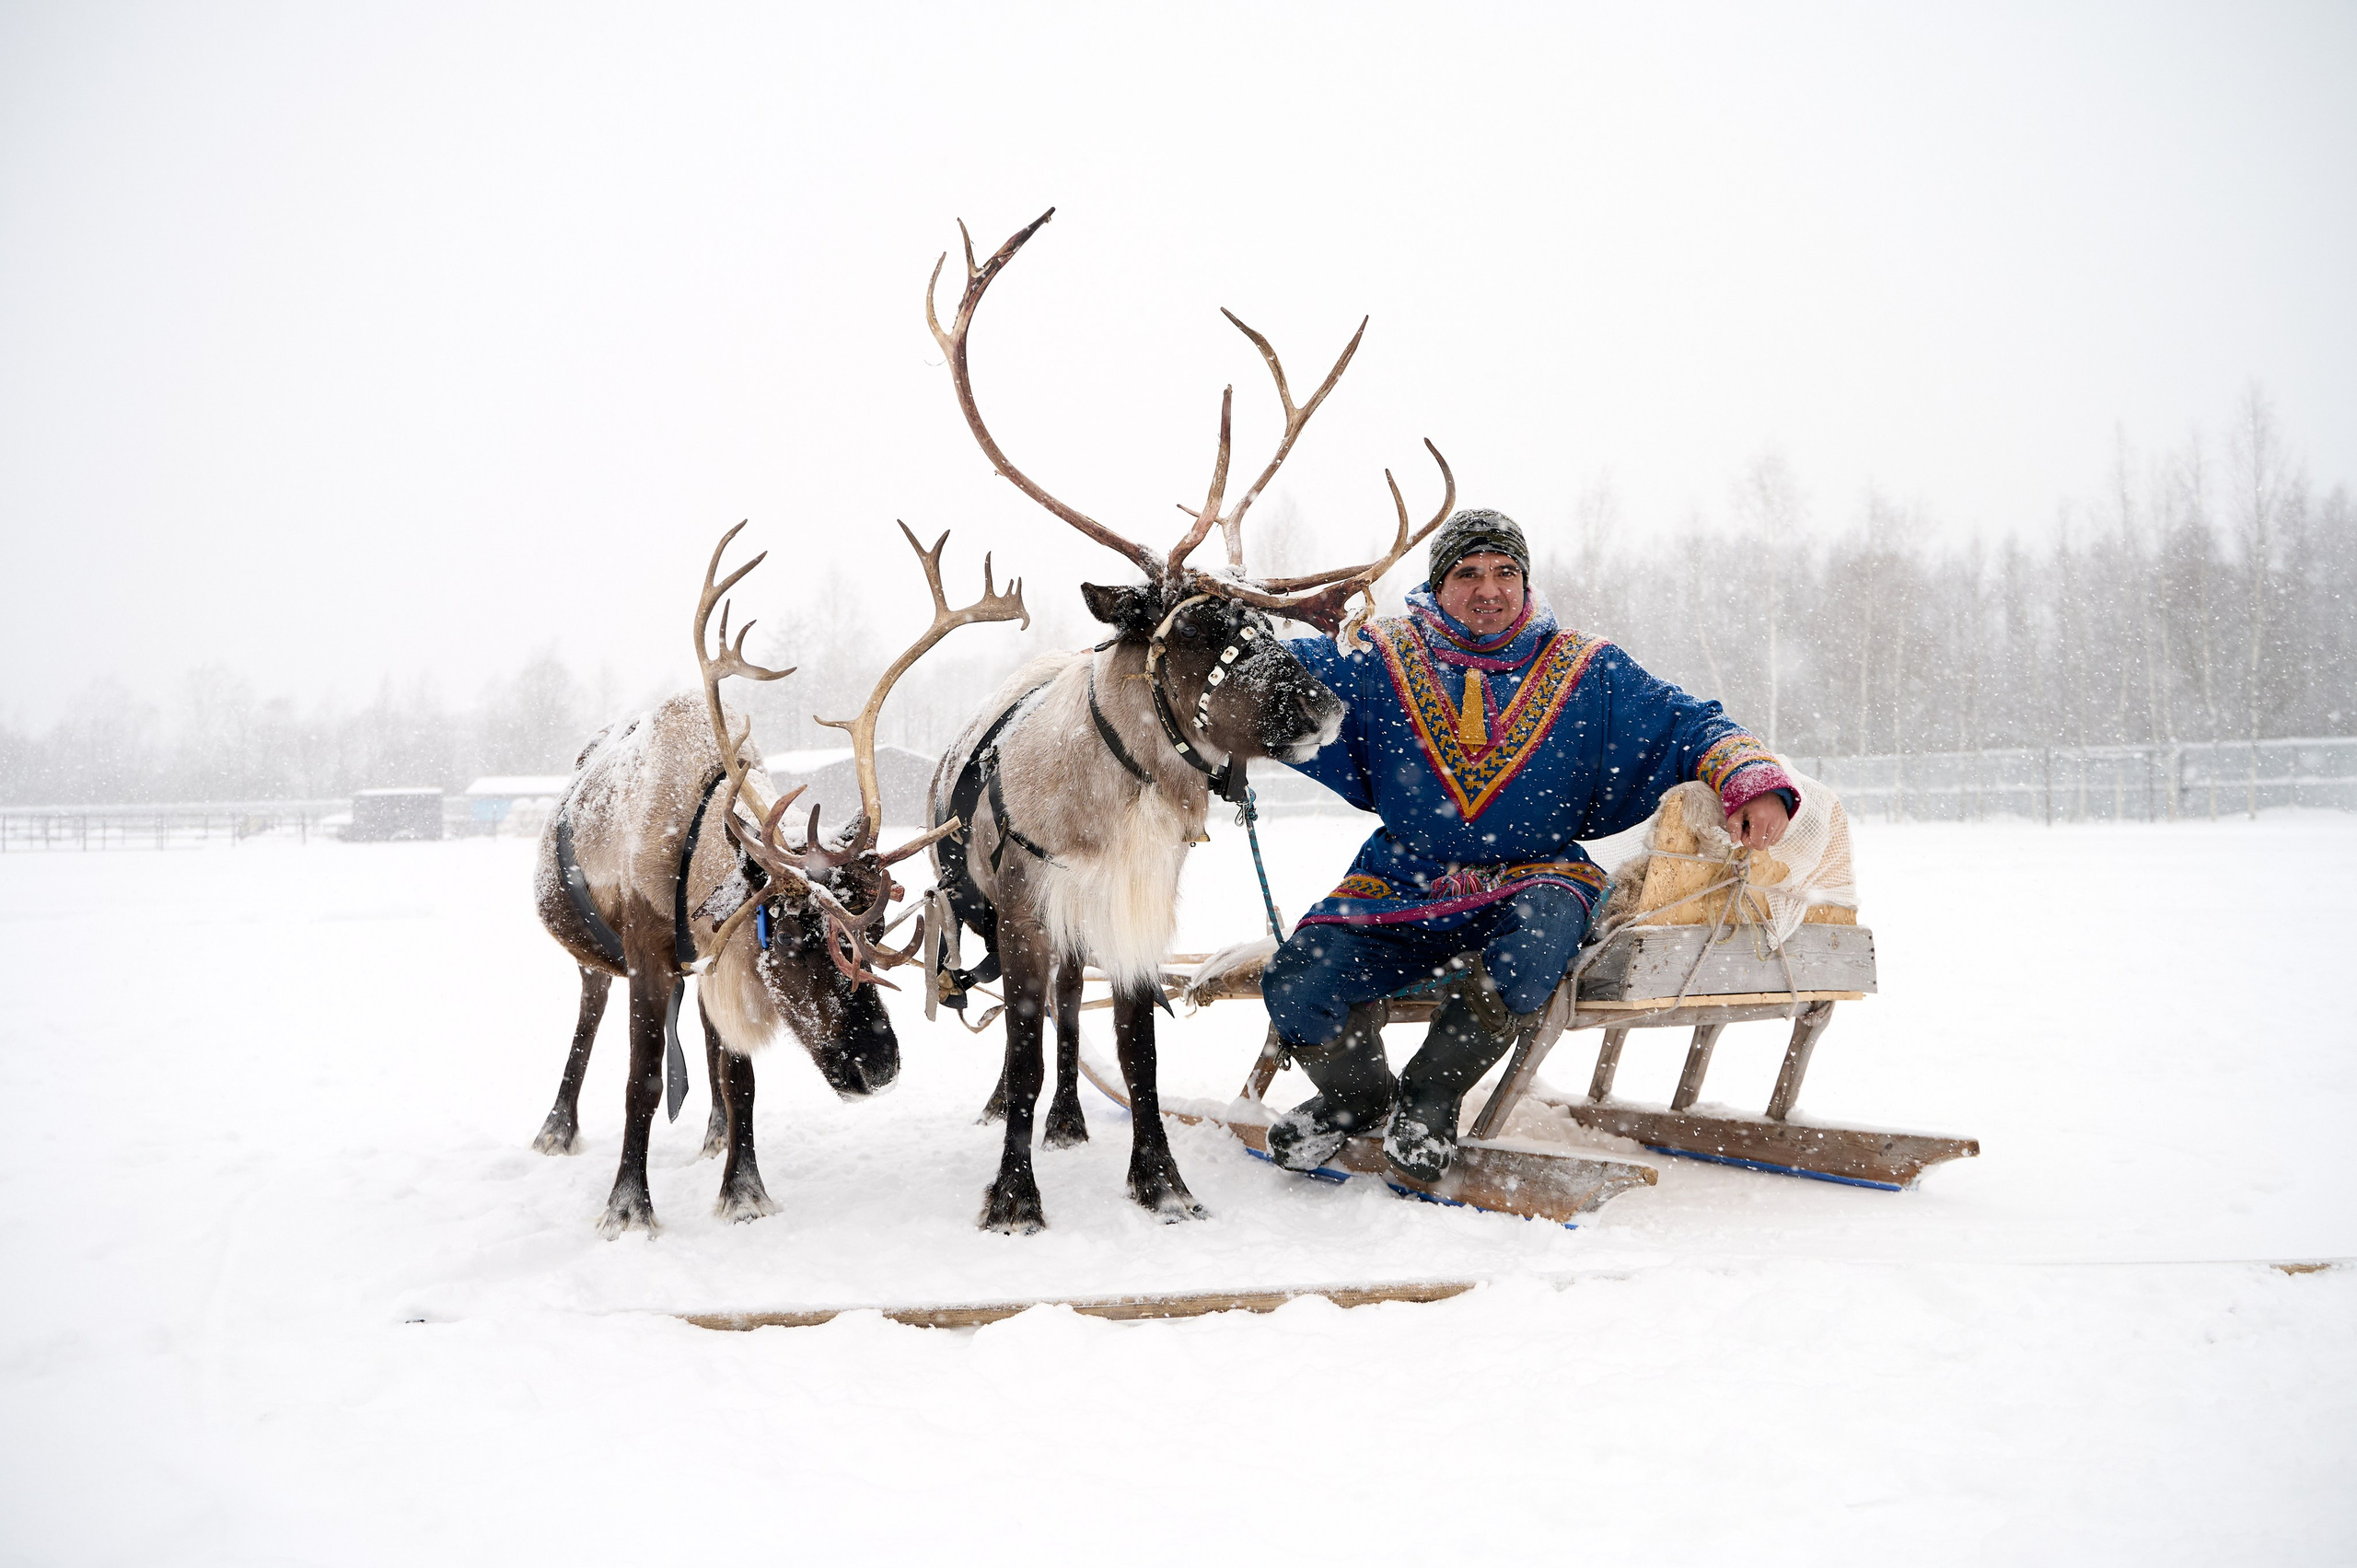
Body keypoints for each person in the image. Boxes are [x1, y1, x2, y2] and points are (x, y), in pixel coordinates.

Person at [1262, 508, 1796, 1181]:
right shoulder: (1374, 655)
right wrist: (1225, 619)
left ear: (1525, 580)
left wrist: (1752, 781)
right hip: (1404, 877)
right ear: (1437, 584)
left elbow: (1691, 724)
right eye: (1468, 573)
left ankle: (1429, 1098)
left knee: (1536, 946)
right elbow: (1258, 677)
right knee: (1297, 979)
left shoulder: (1586, 667)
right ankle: (1359, 1099)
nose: (1489, 589)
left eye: (1505, 571)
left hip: (1537, 877)